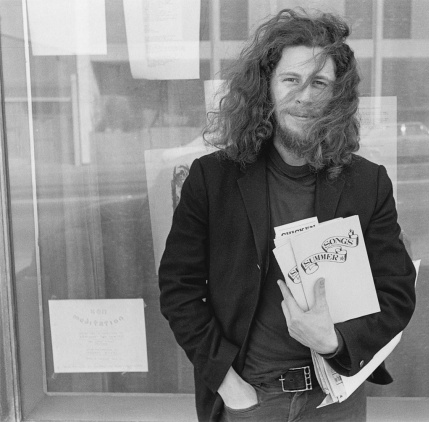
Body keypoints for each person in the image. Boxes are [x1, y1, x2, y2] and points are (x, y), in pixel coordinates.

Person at [159, 8, 416, 422]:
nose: (305, 95)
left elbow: (397, 294)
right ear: (267, 87)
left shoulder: (367, 183)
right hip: (250, 399)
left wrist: (332, 341)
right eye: (291, 80)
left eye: (320, 82)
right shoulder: (213, 179)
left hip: (336, 399)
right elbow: (179, 289)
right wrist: (229, 384)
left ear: (338, 94)